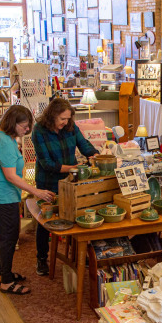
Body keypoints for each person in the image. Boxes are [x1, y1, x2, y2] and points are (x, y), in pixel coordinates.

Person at [0, 105, 54, 294]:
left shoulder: (2, 137)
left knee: (5, 236)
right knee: (8, 236)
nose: (27, 130)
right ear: (12, 123)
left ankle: (3, 273)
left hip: (0, 193)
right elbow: (11, 176)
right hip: (1, 195)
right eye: (23, 126)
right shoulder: (4, 142)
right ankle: (6, 281)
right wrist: (35, 191)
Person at [31, 97, 99, 276]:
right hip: (48, 181)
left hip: (70, 179)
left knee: (76, 214)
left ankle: (79, 253)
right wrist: (74, 168)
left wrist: (94, 155)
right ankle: (41, 258)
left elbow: (84, 145)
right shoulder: (38, 130)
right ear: (52, 115)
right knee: (46, 220)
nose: (65, 122)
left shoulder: (70, 127)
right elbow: (47, 164)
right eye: (62, 119)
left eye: (68, 119)